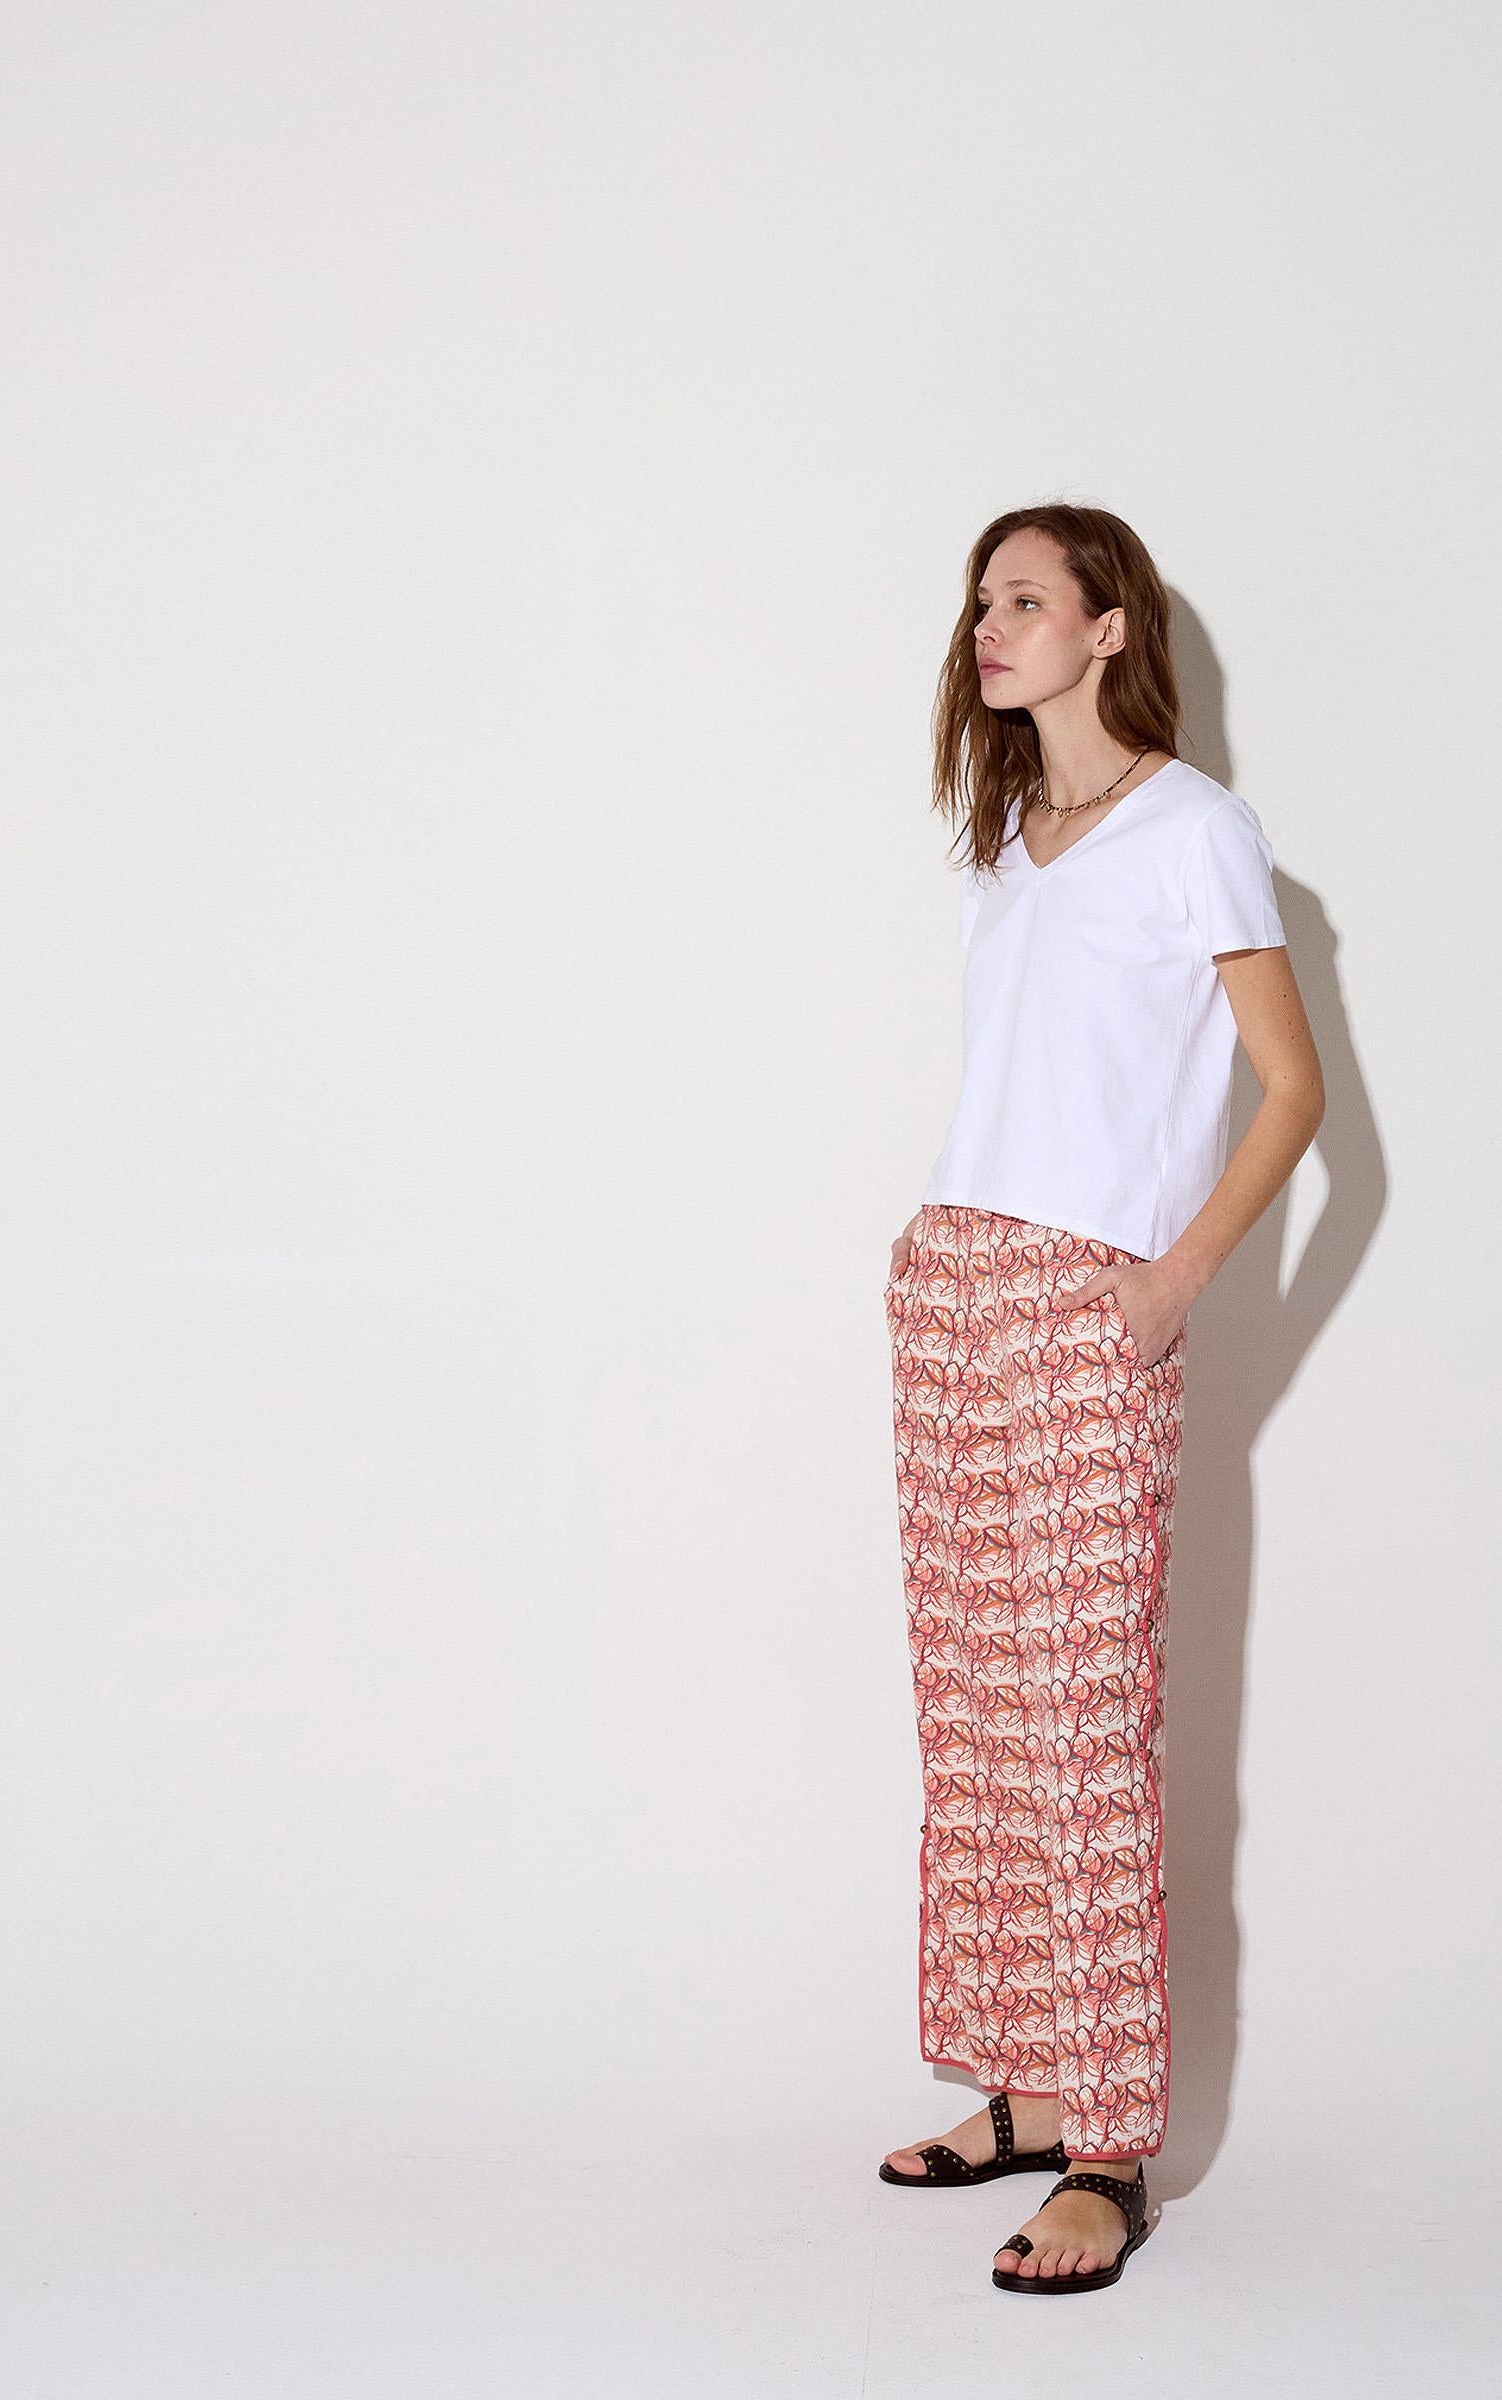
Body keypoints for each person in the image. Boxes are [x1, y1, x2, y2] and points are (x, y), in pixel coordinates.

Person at [876, 504, 1324, 2295]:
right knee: (982, 1720)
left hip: (1085, 1298)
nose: (990, 628)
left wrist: (1171, 1283)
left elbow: (1291, 1089)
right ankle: (1032, 2088)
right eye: (981, 601)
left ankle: (1113, 2150)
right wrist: (932, 1260)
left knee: (1083, 1727)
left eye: (1026, 599)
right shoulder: (1008, 839)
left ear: (1110, 626)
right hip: (951, 1283)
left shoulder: (1194, 829)